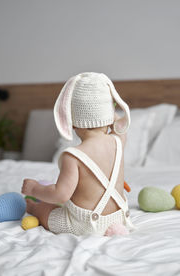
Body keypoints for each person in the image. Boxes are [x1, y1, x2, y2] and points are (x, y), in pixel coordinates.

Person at [21, 72, 135, 236]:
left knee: (46, 210)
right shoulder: (118, 141)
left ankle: (32, 208)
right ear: (109, 117)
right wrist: (108, 110)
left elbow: (60, 195)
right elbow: (119, 126)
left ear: (72, 124)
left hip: (85, 225)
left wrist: (35, 189)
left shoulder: (73, 156)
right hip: (118, 218)